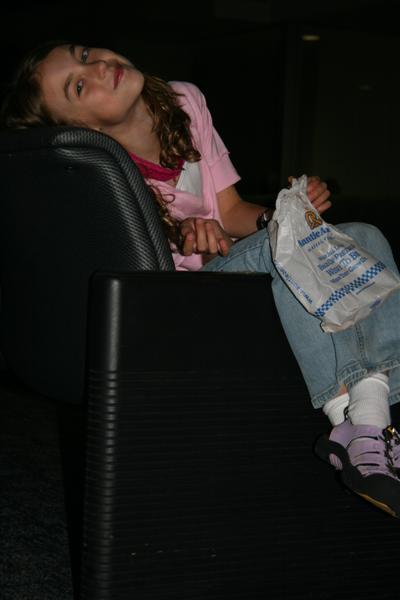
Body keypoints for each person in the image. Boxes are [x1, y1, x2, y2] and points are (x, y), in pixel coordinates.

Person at [1, 40, 400, 517]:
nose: (99, 64)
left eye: (84, 54)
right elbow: (145, 274)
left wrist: (292, 216)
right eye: (79, 85)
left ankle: (367, 429)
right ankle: (352, 423)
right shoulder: (104, 171)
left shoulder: (184, 102)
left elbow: (231, 212)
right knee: (287, 258)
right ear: (80, 127)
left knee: (359, 236)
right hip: (184, 293)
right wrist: (189, 238)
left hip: (240, 260)